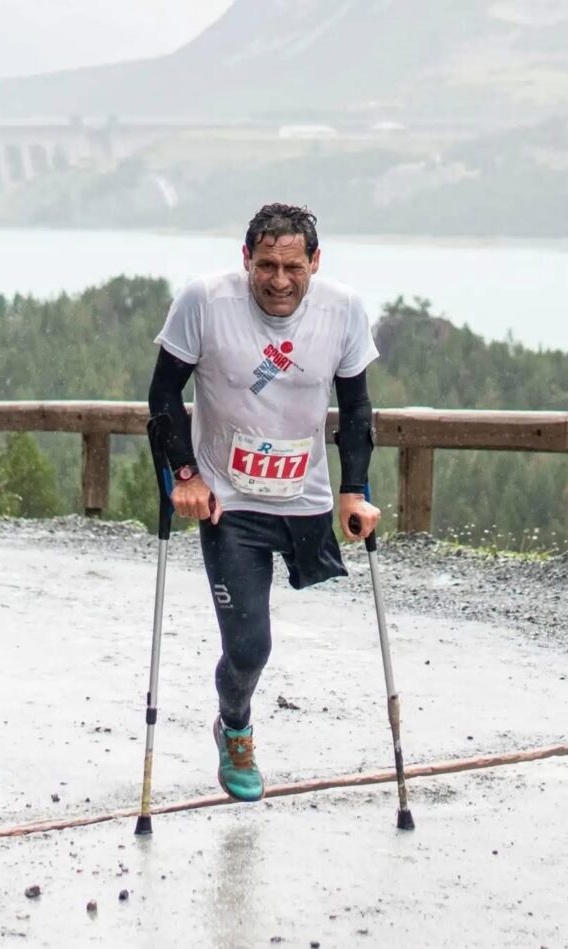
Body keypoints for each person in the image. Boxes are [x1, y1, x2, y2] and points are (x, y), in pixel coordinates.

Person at [148, 203, 380, 802]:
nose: (280, 281)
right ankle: (236, 727)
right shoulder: (205, 301)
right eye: (267, 266)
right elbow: (164, 390)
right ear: (245, 259)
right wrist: (186, 474)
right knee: (250, 645)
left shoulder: (342, 309)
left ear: (315, 263)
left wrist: (354, 488)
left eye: (294, 267)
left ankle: (237, 720)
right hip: (230, 504)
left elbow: (355, 408)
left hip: (303, 500)